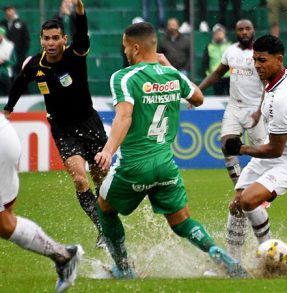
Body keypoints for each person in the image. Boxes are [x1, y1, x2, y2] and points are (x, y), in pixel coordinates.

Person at [94, 21, 248, 279]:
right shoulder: (172, 75)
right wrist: (170, 68)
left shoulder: (124, 77)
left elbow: (124, 117)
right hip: (166, 165)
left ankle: (123, 268)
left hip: (134, 165)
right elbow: (198, 98)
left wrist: (109, 150)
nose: (124, 53)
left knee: (105, 208)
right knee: (181, 222)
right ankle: (220, 255)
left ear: (135, 48)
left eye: (125, 48)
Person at [3, 0, 107, 249]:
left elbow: (82, 33)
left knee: (102, 180)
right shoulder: (35, 64)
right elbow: (19, 82)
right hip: (63, 129)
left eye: (55, 38)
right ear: (41, 40)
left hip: (89, 122)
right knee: (81, 181)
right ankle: (102, 229)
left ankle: (109, 221)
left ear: (64, 39)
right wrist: (8, 108)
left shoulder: (75, 54)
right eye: (46, 38)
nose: (50, 43)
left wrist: (80, 11)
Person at [222, 35, 287, 260]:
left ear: (279, 59)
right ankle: (231, 262)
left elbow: (275, 150)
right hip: (275, 155)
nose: (257, 65)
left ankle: (269, 254)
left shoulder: (280, 100)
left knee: (248, 200)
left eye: (263, 60)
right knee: (237, 205)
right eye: (255, 59)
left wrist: (241, 149)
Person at [0, 114, 83, 293]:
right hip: (4, 136)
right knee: (3, 224)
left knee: (4, 222)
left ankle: (64, 256)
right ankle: (64, 255)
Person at [199, 19, 266, 188]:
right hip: (234, 107)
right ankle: (240, 185)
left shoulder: (261, 53)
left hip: (255, 108)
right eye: (240, 29)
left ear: (253, 30)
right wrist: (198, 91)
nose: (244, 32)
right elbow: (217, 74)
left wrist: (259, 110)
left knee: (261, 153)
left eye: (247, 29)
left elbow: (268, 84)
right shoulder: (230, 51)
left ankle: (262, 189)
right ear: (235, 32)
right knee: (227, 145)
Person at [201, 24, 231, 96]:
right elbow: (205, 62)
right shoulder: (209, 46)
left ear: (224, 34)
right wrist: (208, 73)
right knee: (218, 96)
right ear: (213, 35)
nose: (218, 35)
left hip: (229, 76)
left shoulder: (230, 45)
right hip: (216, 76)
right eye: (217, 33)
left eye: (220, 33)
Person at [0, 5, 29, 79]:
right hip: (6, 58)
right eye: (7, 10)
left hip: (19, 56)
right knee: (8, 78)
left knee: (22, 77)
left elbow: (26, 40)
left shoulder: (21, 23)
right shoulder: (2, 23)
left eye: (10, 10)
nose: (9, 12)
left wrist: (22, 54)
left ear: (14, 11)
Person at [0, 26, 15, 95]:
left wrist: (4, 61)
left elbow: (14, 61)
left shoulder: (10, 46)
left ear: (3, 34)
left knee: (8, 96)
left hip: (6, 75)